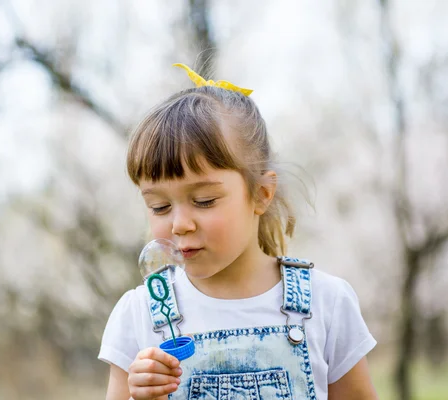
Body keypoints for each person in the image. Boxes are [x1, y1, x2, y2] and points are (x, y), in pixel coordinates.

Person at [98, 63, 378, 400]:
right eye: (159, 206)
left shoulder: (327, 303)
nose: (179, 224)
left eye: (204, 200)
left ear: (261, 194)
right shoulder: (139, 314)